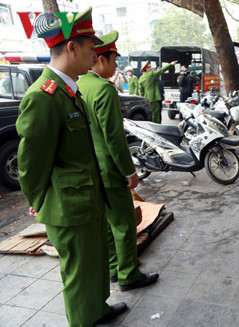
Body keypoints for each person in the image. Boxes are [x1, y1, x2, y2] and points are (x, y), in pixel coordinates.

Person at [15, 7, 127, 326]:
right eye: (91, 48)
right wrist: (38, 202)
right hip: (68, 206)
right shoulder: (44, 96)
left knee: (93, 263)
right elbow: (31, 163)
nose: (94, 56)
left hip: (85, 200)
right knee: (79, 272)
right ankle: (84, 320)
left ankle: (97, 310)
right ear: (72, 47)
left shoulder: (69, 90)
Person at [77, 30, 159, 293]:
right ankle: (128, 275)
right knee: (124, 224)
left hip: (93, 169)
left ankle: (113, 268)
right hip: (111, 170)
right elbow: (114, 138)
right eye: (113, 61)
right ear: (100, 59)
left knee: (108, 225)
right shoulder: (103, 89)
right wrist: (129, 172)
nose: (115, 68)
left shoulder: (80, 86)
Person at [139, 59, 177, 124]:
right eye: (149, 67)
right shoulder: (151, 74)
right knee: (156, 115)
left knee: (150, 114)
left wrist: (143, 98)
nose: (151, 68)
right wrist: (171, 64)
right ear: (146, 69)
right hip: (154, 98)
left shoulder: (141, 78)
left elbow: (141, 91)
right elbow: (161, 70)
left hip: (147, 99)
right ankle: (156, 127)